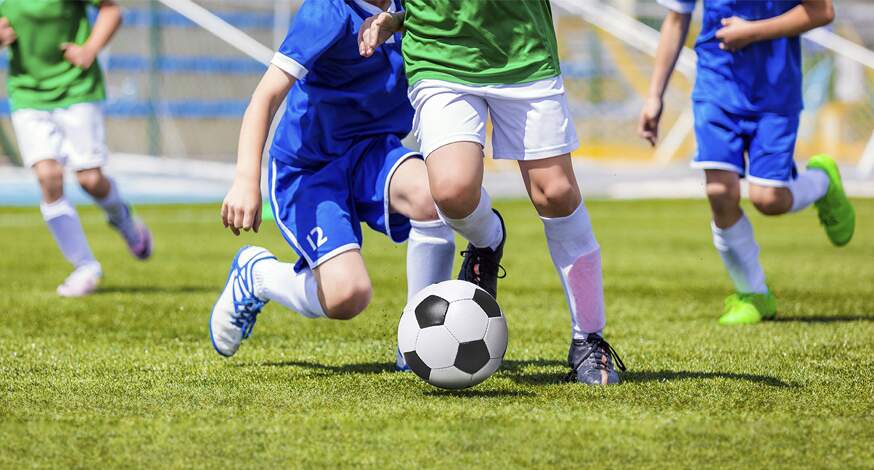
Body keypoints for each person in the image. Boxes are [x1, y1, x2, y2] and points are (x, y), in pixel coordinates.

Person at [359, 0, 626, 385]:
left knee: (555, 193)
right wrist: (397, 19)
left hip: (523, 49)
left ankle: (589, 338)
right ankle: (487, 239)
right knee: (451, 190)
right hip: (441, 52)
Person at [209, 0, 455, 368]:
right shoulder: (326, 11)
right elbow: (266, 96)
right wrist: (247, 178)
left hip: (373, 151)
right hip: (311, 167)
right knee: (348, 296)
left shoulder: (418, 7)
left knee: (434, 196)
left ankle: (419, 342)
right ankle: (259, 275)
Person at [639, 0, 854, 325]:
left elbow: (822, 11)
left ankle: (822, 181)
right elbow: (675, 19)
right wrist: (655, 95)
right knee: (719, 191)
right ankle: (753, 293)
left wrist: (752, 32)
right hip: (716, 87)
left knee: (768, 200)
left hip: (775, 95)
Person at [0, 0, 152, 297]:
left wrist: (90, 49)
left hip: (77, 88)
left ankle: (122, 218)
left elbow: (111, 10)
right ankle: (85, 267)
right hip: (27, 94)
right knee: (48, 176)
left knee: (90, 180)